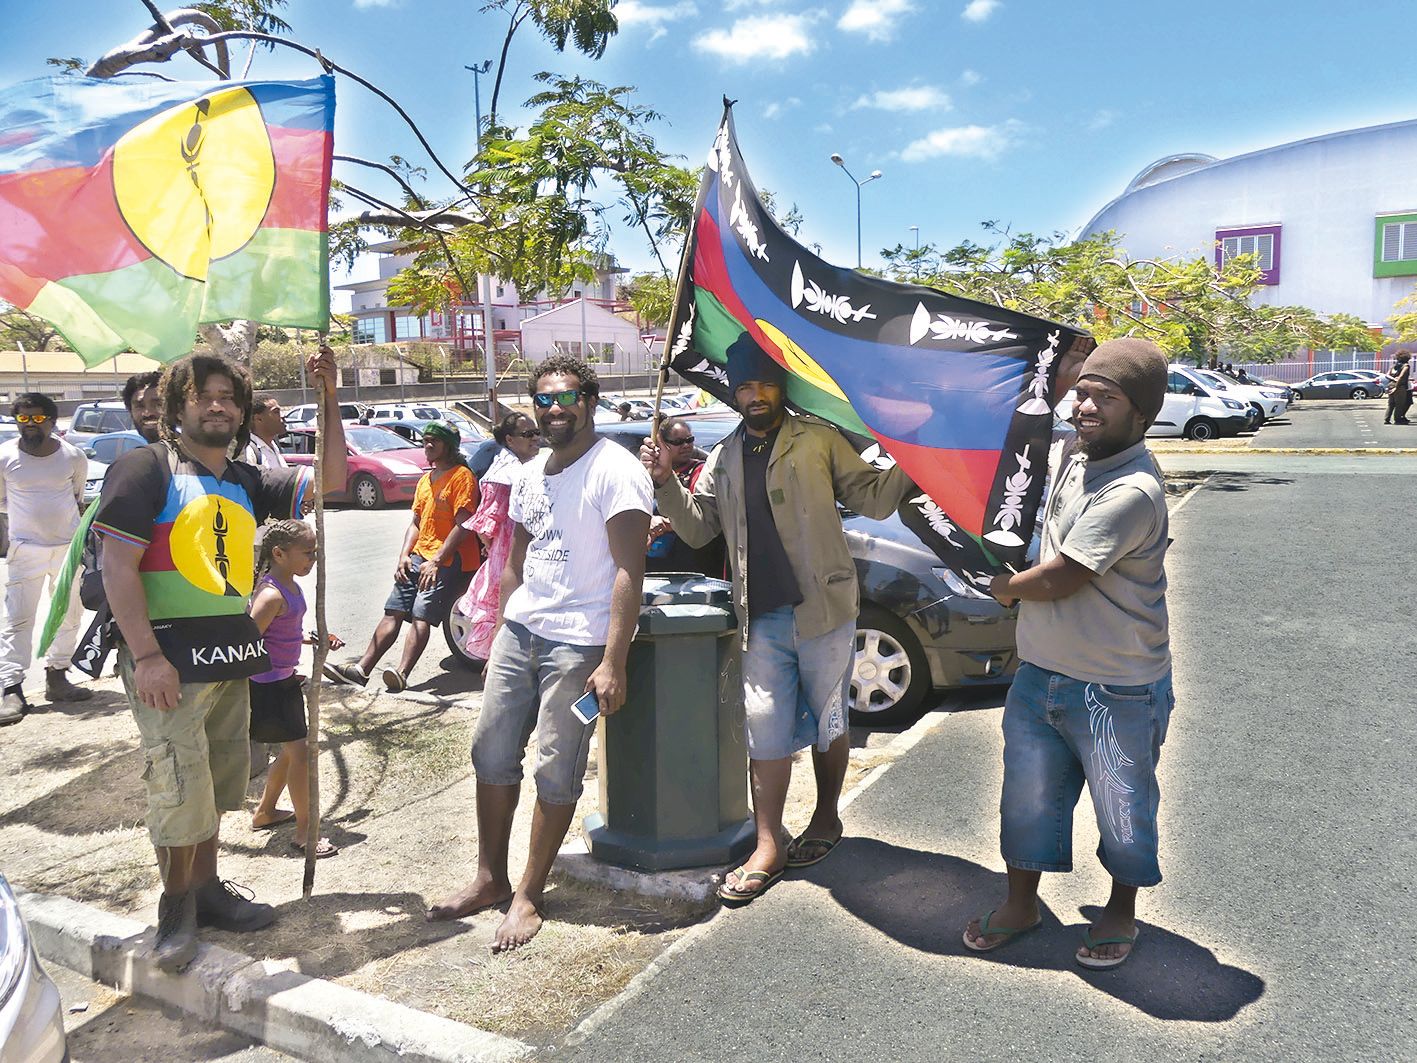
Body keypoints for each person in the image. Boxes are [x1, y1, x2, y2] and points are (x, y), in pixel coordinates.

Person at [640, 333, 914, 906]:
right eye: (745, 386)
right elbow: (697, 529)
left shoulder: (818, 440)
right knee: (764, 727)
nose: (755, 394)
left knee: (830, 720)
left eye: (765, 383)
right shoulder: (723, 456)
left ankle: (825, 818)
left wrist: (915, 453)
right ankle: (768, 844)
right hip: (758, 617)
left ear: (781, 387)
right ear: (735, 394)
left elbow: (873, 499)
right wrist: (665, 480)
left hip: (824, 610)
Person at [95, 349, 346, 972]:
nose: (218, 406)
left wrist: (330, 395)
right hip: (166, 664)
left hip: (227, 658)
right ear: (177, 406)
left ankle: (207, 891)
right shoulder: (143, 470)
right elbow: (116, 566)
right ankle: (175, 912)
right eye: (203, 395)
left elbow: (332, 481)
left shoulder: (246, 479)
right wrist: (147, 654)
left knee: (213, 781)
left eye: (229, 398)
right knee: (179, 783)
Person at [963, 337, 1173, 972]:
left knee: (1123, 805)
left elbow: (1061, 576)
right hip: (1041, 675)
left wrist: (999, 589)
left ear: (1143, 414)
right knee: (1027, 800)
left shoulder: (1132, 489)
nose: (1086, 405)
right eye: (1082, 391)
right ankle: (1021, 905)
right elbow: (1017, 426)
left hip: (1116, 688)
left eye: (1105, 398)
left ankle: (1120, 910)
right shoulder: (1074, 459)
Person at [428, 355, 651, 952]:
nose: (554, 409)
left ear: (591, 401)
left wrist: (613, 660)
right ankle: (489, 877)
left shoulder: (617, 471)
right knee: (491, 751)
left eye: (566, 397)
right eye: (544, 400)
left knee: (557, 763)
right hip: (521, 633)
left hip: (579, 645)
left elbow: (631, 570)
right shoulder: (528, 472)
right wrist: (501, 629)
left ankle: (529, 891)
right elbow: (514, 563)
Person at [324, 421, 479, 692]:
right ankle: (361, 669)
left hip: (446, 561)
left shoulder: (461, 477)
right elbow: (416, 523)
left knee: (422, 616)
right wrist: (404, 555)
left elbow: (463, 524)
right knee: (393, 610)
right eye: (425, 439)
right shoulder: (425, 480)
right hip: (419, 556)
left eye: (435, 441)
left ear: (449, 446)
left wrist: (437, 560)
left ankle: (402, 673)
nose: (427, 445)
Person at [247, 520, 342, 858]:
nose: (313, 559)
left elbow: (279, 632)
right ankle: (305, 832)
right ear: (279, 553)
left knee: (292, 753)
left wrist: (310, 638)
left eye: (315, 552)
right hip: (268, 686)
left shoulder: (291, 586)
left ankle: (266, 812)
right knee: (300, 754)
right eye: (307, 553)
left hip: (284, 680)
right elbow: (248, 639)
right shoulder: (271, 593)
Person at [0, 392, 94, 724]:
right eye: (23, 418)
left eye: (38, 418)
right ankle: (12, 688)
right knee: (18, 619)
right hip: (24, 550)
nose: (30, 425)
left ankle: (57, 676)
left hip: (68, 550)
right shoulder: (4, 457)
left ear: (52, 421)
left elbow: (77, 496)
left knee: (69, 614)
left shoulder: (72, 456)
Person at [451, 412, 541, 664]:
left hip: (522, 556)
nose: (535, 439)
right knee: (501, 624)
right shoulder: (503, 475)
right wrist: (493, 551)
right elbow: (485, 524)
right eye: (528, 434)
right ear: (510, 440)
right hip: (507, 560)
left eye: (536, 433)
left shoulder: (523, 468)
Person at [644, 416, 725, 578]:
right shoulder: (646, 472)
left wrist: (664, 523)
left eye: (690, 440)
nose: (686, 445)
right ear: (662, 444)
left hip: (693, 563)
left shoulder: (701, 472)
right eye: (678, 442)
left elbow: (704, 518)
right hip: (655, 567)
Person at [243, 395, 288, 468]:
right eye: (276, 412)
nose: (283, 416)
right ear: (258, 419)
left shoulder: (274, 445)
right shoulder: (250, 451)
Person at [123, 371, 163, 443]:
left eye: (158, 404)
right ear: (130, 411)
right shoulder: (141, 453)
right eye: (140, 406)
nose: (147, 413)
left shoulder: (188, 451)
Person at [1385, 351, 1411, 425]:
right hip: (1400, 386)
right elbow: (1401, 376)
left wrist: (1393, 379)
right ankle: (1398, 419)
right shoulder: (1406, 366)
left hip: (1390, 384)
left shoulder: (1394, 366)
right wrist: (1396, 386)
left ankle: (1387, 419)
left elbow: (1387, 375)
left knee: (1391, 403)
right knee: (1399, 404)